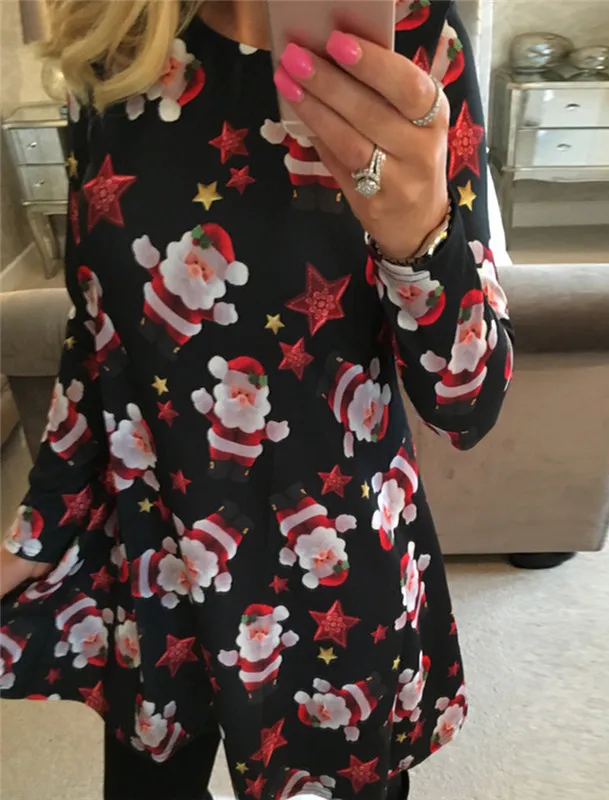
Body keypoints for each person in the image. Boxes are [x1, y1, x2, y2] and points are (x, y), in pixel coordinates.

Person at [0, 0, 513, 798]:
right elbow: (97, 332)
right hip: (155, 558)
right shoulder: (115, 40)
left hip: (334, 566)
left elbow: (466, 402)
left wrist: (418, 232)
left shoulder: (418, 38)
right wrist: (39, 527)